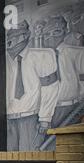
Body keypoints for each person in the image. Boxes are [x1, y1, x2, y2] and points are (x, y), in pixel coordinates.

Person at [6, 20, 59, 151]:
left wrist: (45, 117)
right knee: (10, 158)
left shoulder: (42, 56)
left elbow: (50, 88)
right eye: (10, 37)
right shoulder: (6, 60)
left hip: (31, 118)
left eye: (15, 36)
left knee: (29, 155)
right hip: (9, 119)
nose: (11, 41)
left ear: (25, 36)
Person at [42, 16, 84, 147]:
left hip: (72, 108)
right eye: (48, 34)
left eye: (56, 31)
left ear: (65, 30)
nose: (52, 36)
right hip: (51, 110)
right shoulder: (43, 58)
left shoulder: (77, 53)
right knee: (50, 145)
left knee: (70, 144)